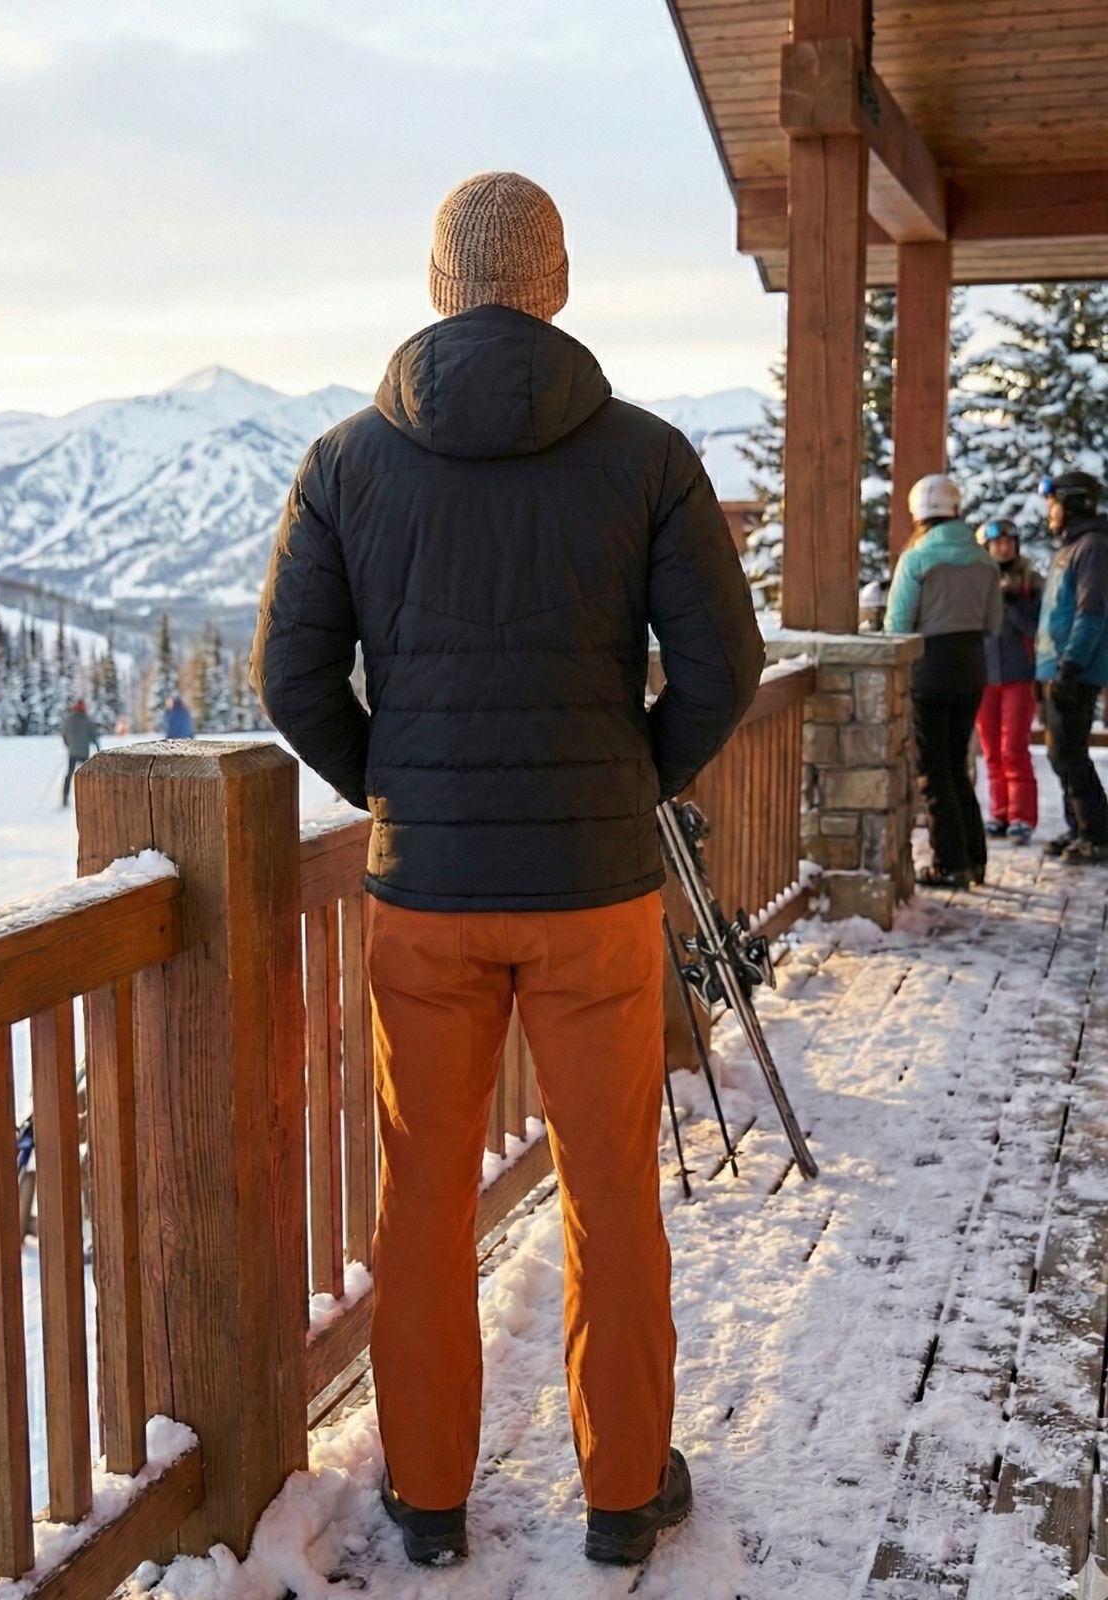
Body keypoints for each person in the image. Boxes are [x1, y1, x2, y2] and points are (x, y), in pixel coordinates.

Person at [251, 171, 763, 1569]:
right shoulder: (647, 456)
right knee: (609, 1189)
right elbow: (723, 666)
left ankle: (426, 1498)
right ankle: (622, 1493)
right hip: (594, 890)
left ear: (438, 286)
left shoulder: (347, 461)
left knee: (421, 1198)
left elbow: (289, 672)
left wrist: (393, 785)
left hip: (425, 895)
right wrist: (630, 776)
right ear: (557, 285)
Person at [885, 474, 1002, 889]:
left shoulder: (917, 559)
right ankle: (974, 860)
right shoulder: (985, 561)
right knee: (956, 765)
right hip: (972, 667)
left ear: (918, 513)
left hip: (929, 669)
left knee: (933, 770)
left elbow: (897, 625)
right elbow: (993, 623)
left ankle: (950, 863)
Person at [1035, 470, 1108, 864]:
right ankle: (1078, 825)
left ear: (1074, 503)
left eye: (1054, 504)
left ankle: (1097, 833)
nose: (1050, 512)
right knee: (1059, 753)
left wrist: (1071, 665)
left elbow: (1091, 611)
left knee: (1070, 753)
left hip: (1076, 669)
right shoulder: (1071, 546)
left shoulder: (1093, 546)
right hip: (1056, 666)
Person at [975, 519, 1042, 844]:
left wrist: (1014, 604)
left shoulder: (1031, 582)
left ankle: (1021, 816)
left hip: (1019, 674)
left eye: (1008, 542)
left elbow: (1038, 628)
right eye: (997, 543)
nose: (1003, 548)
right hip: (984, 674)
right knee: (991, 751)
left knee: (1013, 748)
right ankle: (999, 812)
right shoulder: (976, 580)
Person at [61, 698, 101, 807]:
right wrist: (98, 748)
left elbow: (64, 734)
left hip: (72, 752)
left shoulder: (70, 720)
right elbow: (93, 736)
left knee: (69, 774)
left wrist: (68, 745)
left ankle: (65, 798)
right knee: (86, 775)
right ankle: (88, 798)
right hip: (84, 752)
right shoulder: (87, 721)